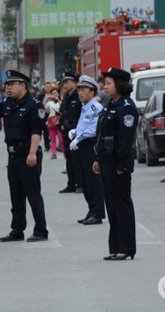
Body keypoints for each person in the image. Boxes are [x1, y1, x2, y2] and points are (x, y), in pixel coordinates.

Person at [0, 70, 49, 243]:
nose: (8, 88)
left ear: (22, 85)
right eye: (7, 85)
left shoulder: (34, 105)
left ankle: (41, 230)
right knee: (16, 196)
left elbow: (36, 132)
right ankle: (17, 229)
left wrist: (32, 153)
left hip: (27, 153)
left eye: (11, 85)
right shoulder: (8, 102)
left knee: (33, 194)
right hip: (13, 155)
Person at [93, 67, 138, 260]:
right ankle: (115, 246)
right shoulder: (111, 104)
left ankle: (126, 247)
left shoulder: (127, 107)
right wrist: (97, 158)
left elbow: (125, 141)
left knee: (121, 205)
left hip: (118, 163)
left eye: (109, 83)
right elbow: (102, 135)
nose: (105, 86)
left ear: (119, 85)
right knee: (111, 205)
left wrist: (121, 165)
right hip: (106, 161)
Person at [70, 75, 106, 225]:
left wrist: (79, 137)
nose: (80, 93)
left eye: (83, 90)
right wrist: (74, 132)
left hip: (91, 145)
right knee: (84, 181)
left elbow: (94, 128)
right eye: (79, 90)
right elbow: (83, 125)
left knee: (93, 181)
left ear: (92, 92)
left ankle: (97, 213)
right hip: (82, 146)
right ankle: (91, 210)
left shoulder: (95, 107)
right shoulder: (85, 107)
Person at [58, 72, 82, 194]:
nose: (65, 85)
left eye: (67, 82)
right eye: (63, 83)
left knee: (77, 159)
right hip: (66, 132)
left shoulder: (79, 96)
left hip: (76, 133)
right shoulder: (66, 97)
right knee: (69, 159)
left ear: (74, 83)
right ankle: (71, 183)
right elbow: (63, 112)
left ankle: (80, 184)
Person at [44, 87, 64, 159]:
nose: (54, 95)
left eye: (55, 93)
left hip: (59, 122)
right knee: (52, 139)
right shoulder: (49, 103)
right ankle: (54, 154)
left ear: (58, 93)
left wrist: (58, 100)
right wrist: (47, 99)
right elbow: (45, 110)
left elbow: (63, 109)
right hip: (51, 122)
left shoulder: (61, 101)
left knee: (61, 139)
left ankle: (64, 152)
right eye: (53, 93)